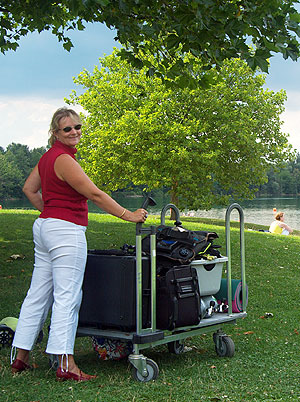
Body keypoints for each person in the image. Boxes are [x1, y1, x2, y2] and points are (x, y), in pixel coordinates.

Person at [10, 107, 147, 382]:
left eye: (77, 127)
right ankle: (66, 364)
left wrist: (49, 212)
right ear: (55, 133)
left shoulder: (47, 159)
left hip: (45, 228)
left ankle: (19, 358)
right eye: (67, 129)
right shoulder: (63, 159)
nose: (74, 132)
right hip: (65, 231)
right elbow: (95, 194)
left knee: (37, 295)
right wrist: (129, 215)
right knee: (67, 296)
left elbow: (29, 189)